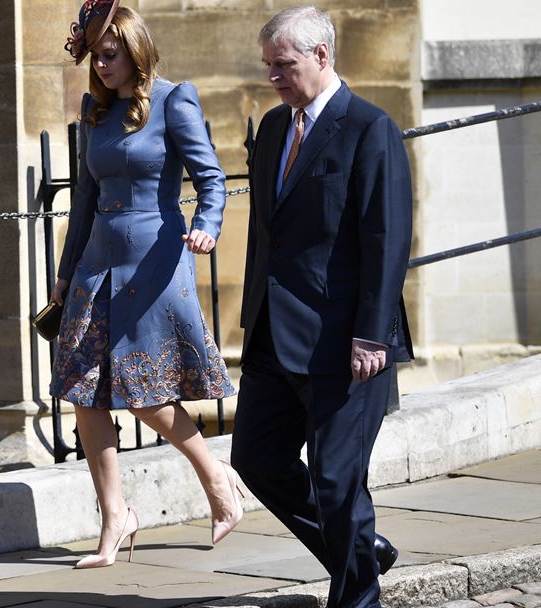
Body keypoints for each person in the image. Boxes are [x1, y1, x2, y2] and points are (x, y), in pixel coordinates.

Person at [230, 6, 414, 607]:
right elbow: (267, 236)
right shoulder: (276, 131)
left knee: (338, 483)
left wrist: (373, 335)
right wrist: (251, 317)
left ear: (321, 56)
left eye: (284, 66)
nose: (274, 78)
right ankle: (360, 550)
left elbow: (385, 238)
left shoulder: (369, 127)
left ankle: (359, 596)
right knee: (256, 460)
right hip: (273, 337)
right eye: (269, 68)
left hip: (346, 343)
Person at [49, 0, 243, 569]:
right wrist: (65, 272)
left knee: (145, 393)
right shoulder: (95, 110)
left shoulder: (173, 99)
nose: (102, 67)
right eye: (96, 58)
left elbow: (210, 176)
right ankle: (115, 517)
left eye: (111, 56)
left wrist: (207, 227)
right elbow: (84, 198)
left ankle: (216, 479)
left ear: (135, 51)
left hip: (155, 264)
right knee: (83, 394)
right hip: (95, 267)